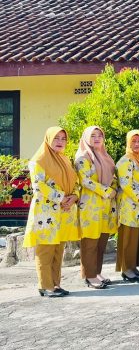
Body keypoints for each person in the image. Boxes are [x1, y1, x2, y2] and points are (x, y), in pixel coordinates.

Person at [23, 127, 79, 297]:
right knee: (45, 250)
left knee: (58, 250)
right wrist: (61, 198)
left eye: (63, 138)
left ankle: (55, 284)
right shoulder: (38, 160)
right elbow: (38, 186)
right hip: (45, 212)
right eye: (56, 138)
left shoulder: (65, 160)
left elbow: (75, 181)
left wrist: (74, 196)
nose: (60, 142)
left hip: (64, 211)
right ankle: (45, 286)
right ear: (48, 139)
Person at [74, 126, 117, 289]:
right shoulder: (82, 157)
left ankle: (97, 272)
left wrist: (113, 188)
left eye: (100, 135)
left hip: (106, 205)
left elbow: (114, 177)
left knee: (101, 242)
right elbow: (85, 180)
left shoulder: (106, 157)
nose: (97, 138)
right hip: (90, 206)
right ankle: (89, 275)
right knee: (90, 242)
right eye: (93, 135)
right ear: (86, 138)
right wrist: (106, 191)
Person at [115, 130, 139, 282]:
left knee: (137, 237)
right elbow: (125, 183)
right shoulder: (126, 160)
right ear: (128, 143)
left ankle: (133, 267)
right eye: (133, 141)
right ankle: (126, 269)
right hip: (130, 204)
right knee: (128, 237)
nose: (137, 144)